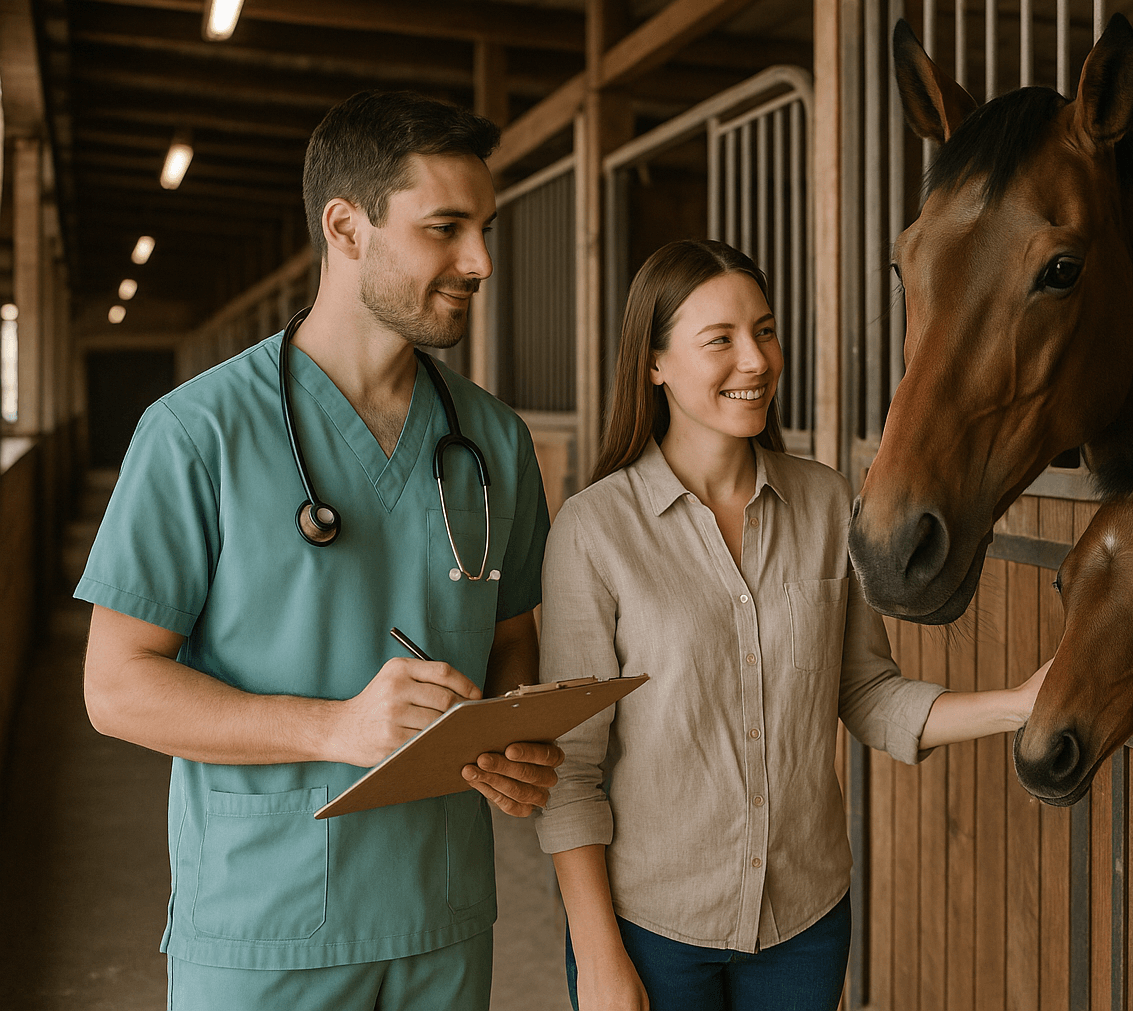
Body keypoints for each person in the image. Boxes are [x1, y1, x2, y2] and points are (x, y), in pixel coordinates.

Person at [77, 90, 561, 1010]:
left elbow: (507, 637)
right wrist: (332, 729)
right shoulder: (196, 432)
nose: (481, 261)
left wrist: (509, 734)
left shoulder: (493, 441)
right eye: (447, 228)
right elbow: (115, 686)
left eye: (485, 228)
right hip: (263, 921)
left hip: (440, 913)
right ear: (347, 226)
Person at [535, 240, 1050, 1011]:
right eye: (721, 340)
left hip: (805, 926)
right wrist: (598, 955)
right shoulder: (593, 531)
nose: (757, 360)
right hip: (651, 930)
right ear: (654, 363)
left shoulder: (826, 502)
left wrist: (1018, 704)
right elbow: (568, 771)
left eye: (765, 331)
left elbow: (868, 694)